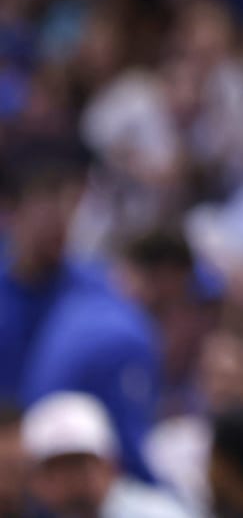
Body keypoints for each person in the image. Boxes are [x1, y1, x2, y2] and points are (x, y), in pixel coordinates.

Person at [0, 140, 161, 483]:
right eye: (45, 206)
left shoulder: (99, 294)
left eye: (69, 207)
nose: (58, 222)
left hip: (68, 459)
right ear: (13, 213)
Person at [20, 393, 189, 518]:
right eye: (56, 470)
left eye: (79, 465)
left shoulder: (157, 513)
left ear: (109, 464)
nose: (70, 481)